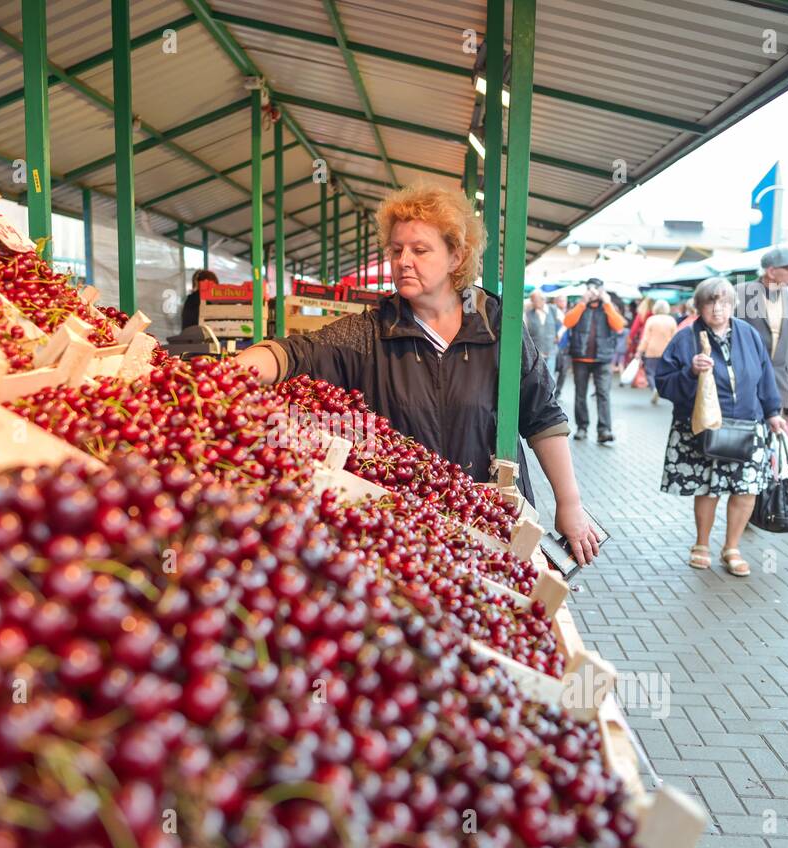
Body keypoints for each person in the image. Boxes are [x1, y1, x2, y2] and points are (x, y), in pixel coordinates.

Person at [230, 183, 600, 564]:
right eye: (396, 250)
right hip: (407, 533)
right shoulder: (372, 332)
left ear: (456, 256)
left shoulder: (497, 328)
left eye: (420, 250)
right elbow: (296, 353)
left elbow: (542, 417)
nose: (403, 260)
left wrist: (568, 503)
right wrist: (232, 372)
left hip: (493, 524)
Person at [655, 277, 786, 578]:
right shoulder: (685, 338)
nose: (718, 309)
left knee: (746, 489)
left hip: (746, 425)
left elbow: (765, 375)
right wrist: (690, 372)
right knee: (709, 487)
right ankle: (701, 544)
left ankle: (732, 547)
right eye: (711, 303)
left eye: (725, 303)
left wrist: (773, 412)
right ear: (699, 306)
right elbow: (663, 383)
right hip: (704, 425)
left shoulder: (749, 334)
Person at [733, 247, 788, 415]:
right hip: (743, 384)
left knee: (774, 437)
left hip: (778, 386)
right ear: (771, 271)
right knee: (743, 438)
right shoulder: (740, 293)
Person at [562, 278, 626, 443]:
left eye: (597, 289)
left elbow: (619, 326)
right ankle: (582, 427)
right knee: (580, 394)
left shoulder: (608, 307)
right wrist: (583, 302)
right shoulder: (579, 305)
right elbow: (567, 322)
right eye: (591, 289)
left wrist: (608, 304)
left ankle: (604, 430)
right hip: (580, 357)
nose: (594, 292)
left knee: (603, 394)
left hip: (603, 358)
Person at [633, 299, 679, 404]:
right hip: (667, 351)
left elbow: (646, 338)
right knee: (664, 372)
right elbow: (675, 338)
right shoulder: (671, 320)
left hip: (651, 350)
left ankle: (654, 388)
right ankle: (661, 388)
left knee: (650, 372)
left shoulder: (651, 320)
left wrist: (639, 351)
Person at [524, 290, 560, 378]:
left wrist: (559, 334)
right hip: (536, 353)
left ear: (543, 300)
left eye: (535, 300)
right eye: (532, 300)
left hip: (551, 350)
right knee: (537, 378)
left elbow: (566, 322)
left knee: (550, 377)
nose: (533, 303)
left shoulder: (553, 310)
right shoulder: (528, 313)